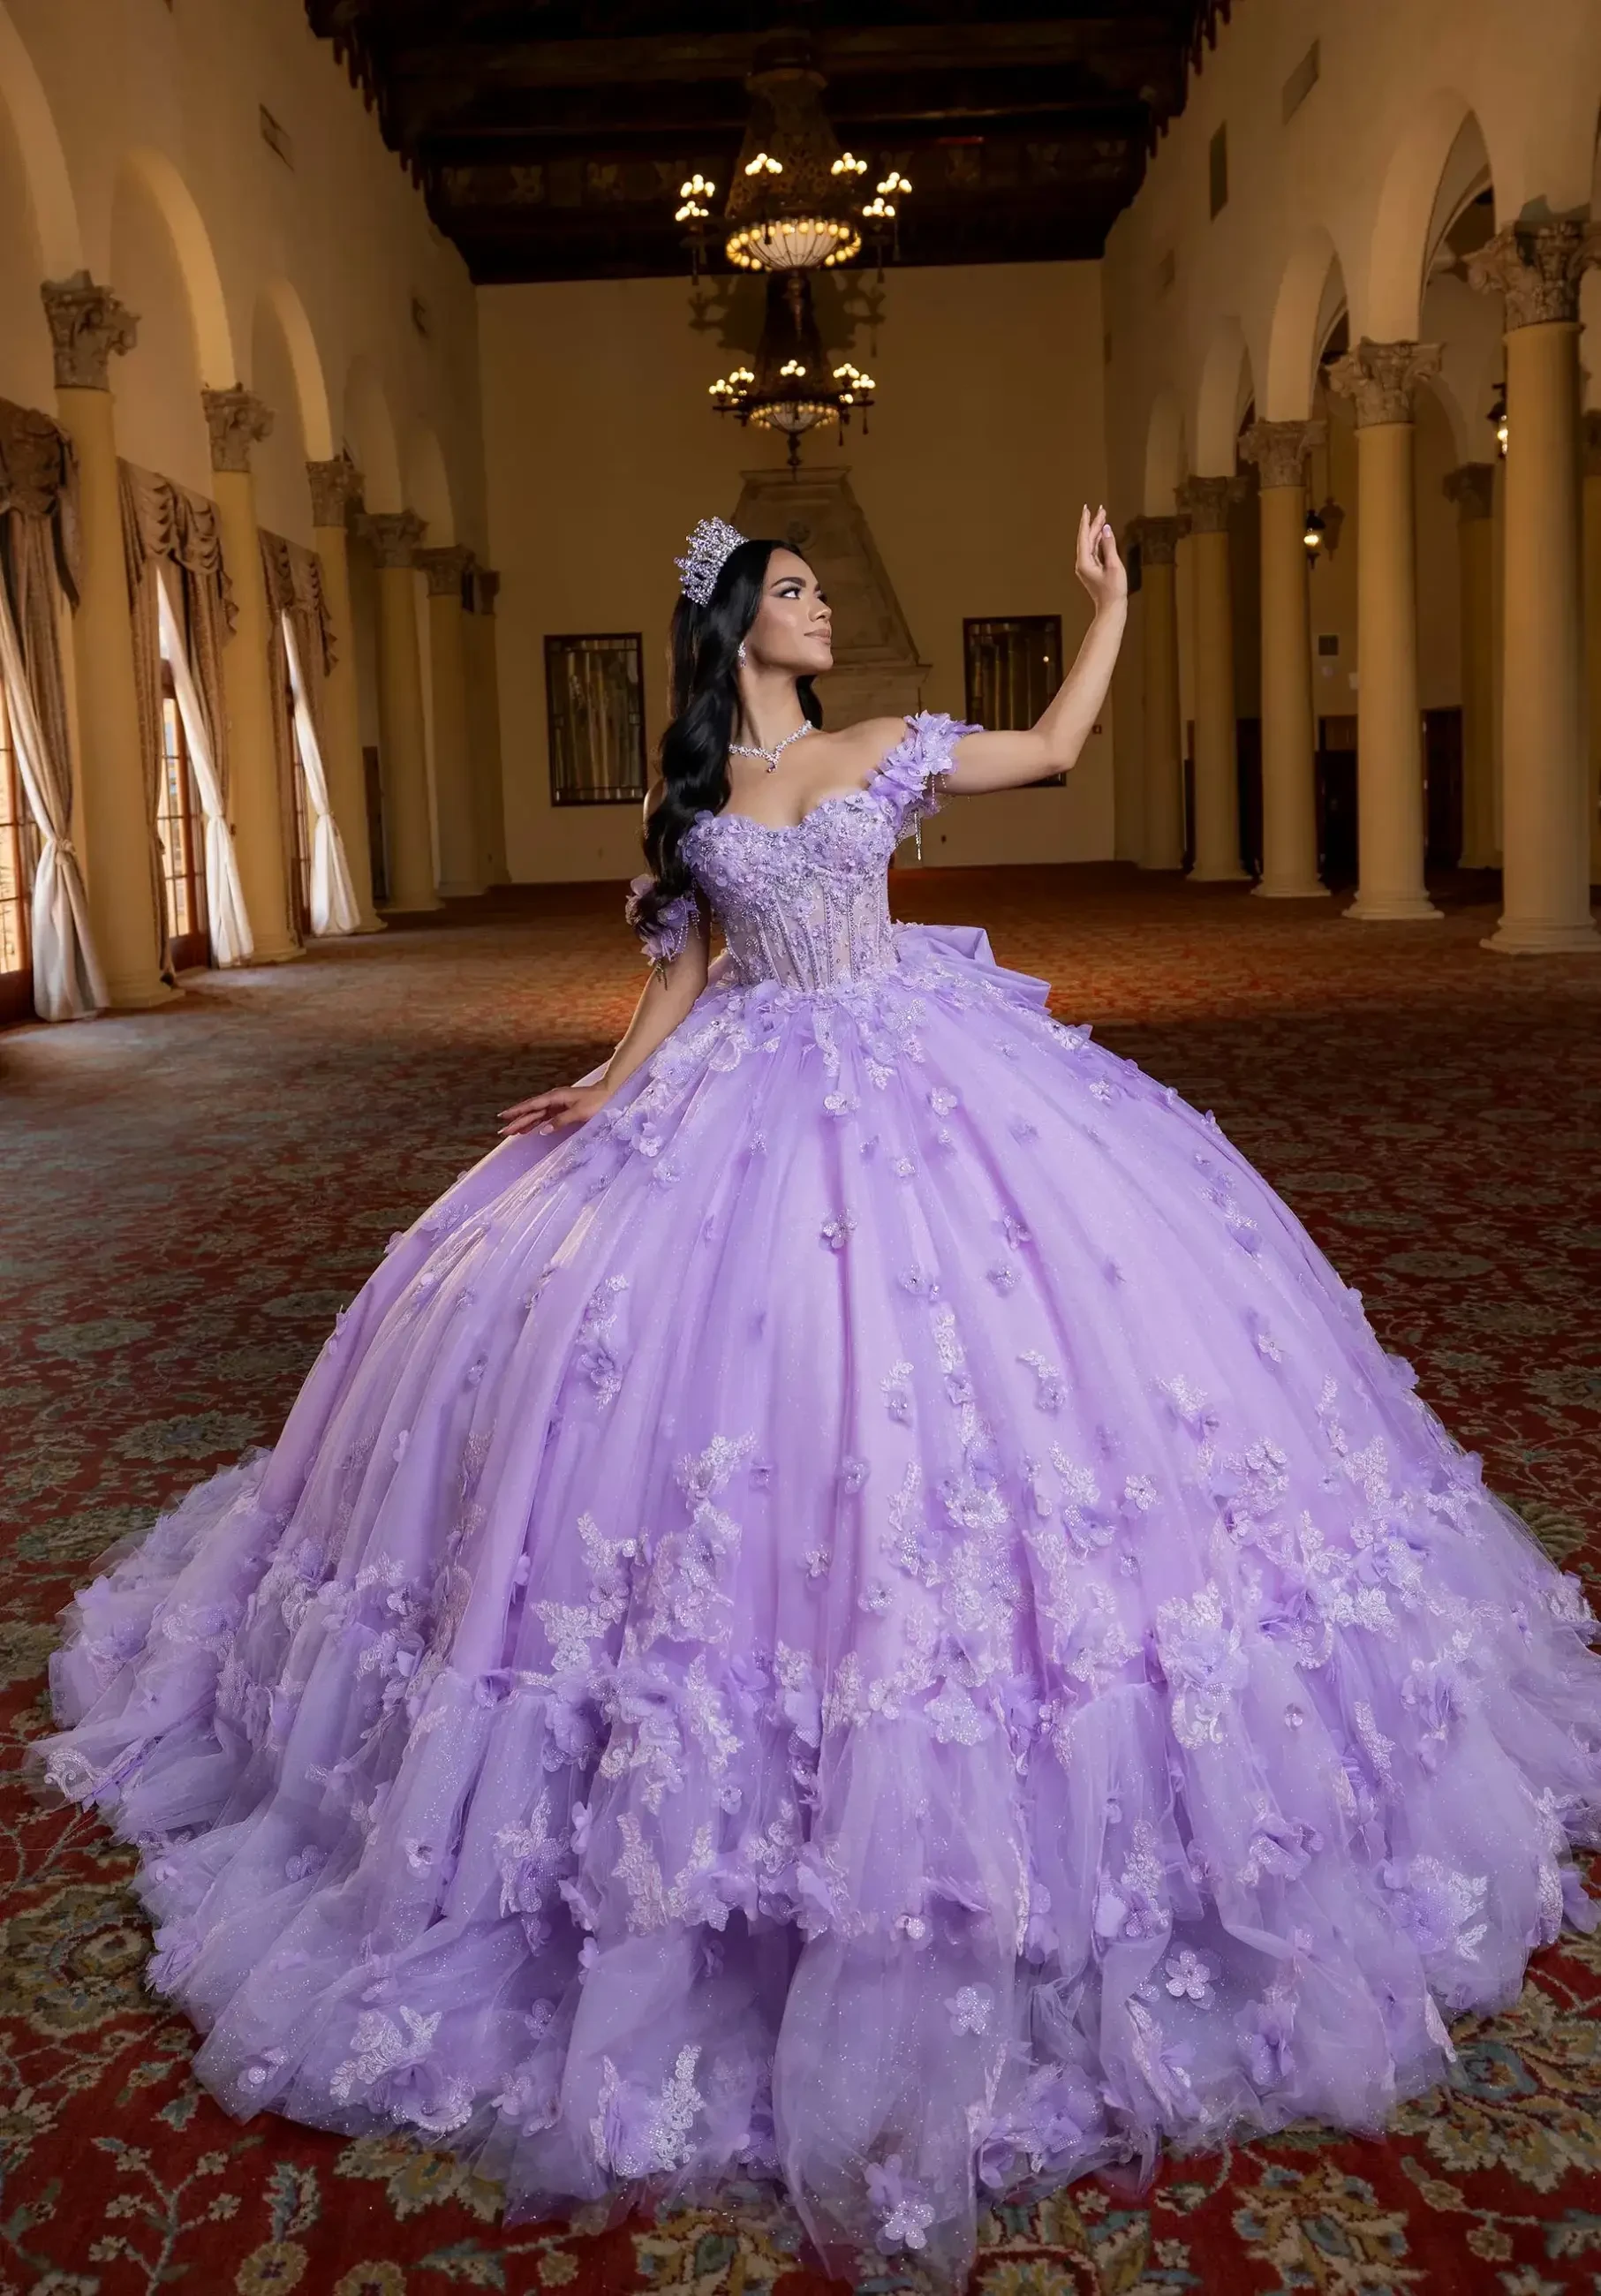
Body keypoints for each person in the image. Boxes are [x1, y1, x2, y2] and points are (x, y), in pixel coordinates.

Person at [29, 509, 1601, 2285]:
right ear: (733, 628)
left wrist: (1109, 603)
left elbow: (1063, 745)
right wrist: (600, 1088)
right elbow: (683, 978)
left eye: (817, 588)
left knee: (995, 1395)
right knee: (697, 1426)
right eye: (791, 590)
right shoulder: (695, 801)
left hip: (929, 1091)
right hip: (738, 1109)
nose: (822, 604)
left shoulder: (876, 750)